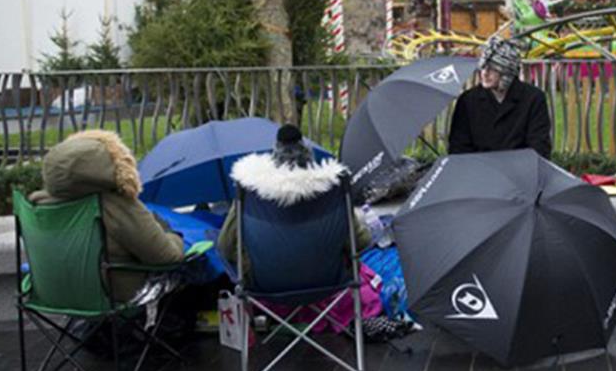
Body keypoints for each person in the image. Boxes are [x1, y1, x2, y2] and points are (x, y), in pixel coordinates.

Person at [30, 129, 184, 302]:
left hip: (53, 296)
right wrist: (174, 235)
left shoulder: (39, 205)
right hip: (113, 298)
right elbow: (167, 257)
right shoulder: (115, 206)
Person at [218, 124, 367, 282]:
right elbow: (361, 241)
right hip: (330, 280)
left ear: (274, 156)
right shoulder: (333, 189)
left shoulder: (250, 190)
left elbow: (225, 246)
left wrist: (251, 263)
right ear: (309, 154)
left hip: (266, 284)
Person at [448, 36, 552, 159]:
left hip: (519, 168)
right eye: (483, 66)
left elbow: (539, 148)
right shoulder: (468, 101)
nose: (485, 73)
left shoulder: (533, 99)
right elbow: (458, 148)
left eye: (493, 68)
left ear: (507, 70)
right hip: (478, 168)